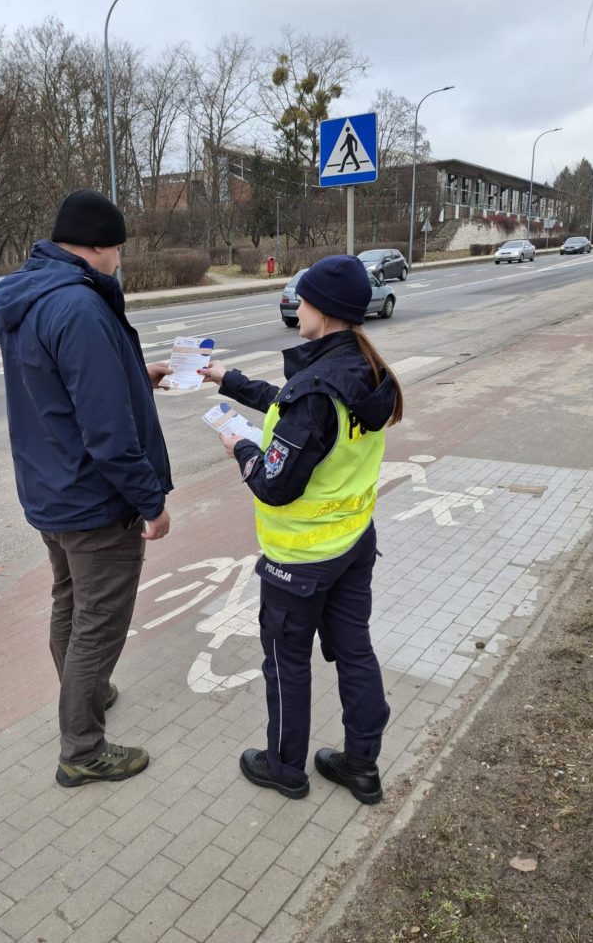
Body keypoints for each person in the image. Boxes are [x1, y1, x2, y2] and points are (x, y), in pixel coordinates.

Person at [200, 255, 402, 803]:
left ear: (325, 309)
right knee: (355, 650)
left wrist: (239, 446)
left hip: (301, 562)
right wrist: (229, 380)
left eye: (303, 298)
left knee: (288, 664)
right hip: (354, 544)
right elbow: (293, 411)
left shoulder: (318, 389)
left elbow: (274, 483)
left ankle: (285, 767)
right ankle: (361, 765)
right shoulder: (367, 369)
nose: (298, 305)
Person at [0, 189, 173, 788]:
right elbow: (108, 431)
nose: (120, 259)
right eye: (118, 248)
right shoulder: (81, 308)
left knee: (70, 601)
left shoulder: (31, 296)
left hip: (50, 490)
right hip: (95, 500)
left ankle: (84, 693)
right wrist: (151, 501)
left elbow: (60, 390)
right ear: (99, 246)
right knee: (99, 621)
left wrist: (132, 374)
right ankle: (84, 748)